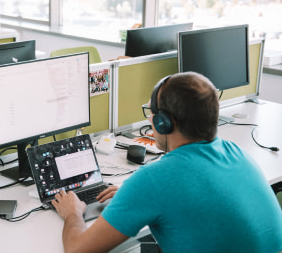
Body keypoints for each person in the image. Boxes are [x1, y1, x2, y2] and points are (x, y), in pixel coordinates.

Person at [52, 72, 282, 253]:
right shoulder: (237, 153)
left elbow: (77, 249)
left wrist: (73, 212)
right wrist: (134, 195)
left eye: (152, 114)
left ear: (163, 123)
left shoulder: (153, 181)